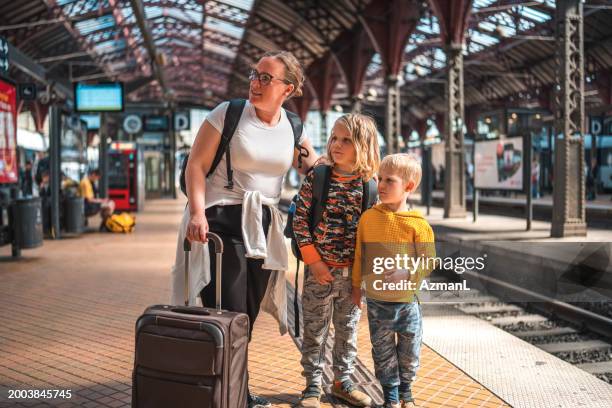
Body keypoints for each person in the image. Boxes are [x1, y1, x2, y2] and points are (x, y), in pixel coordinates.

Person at [181, 50, 318, 408]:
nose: (255, 83)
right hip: (221, 221)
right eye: (254, 75)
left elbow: (316, 172)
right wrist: (198, 213)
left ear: (288, 88)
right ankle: (229, 394)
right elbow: (196, 166)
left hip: (265, 227)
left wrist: (361, 172)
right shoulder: (228, 114)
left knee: (248, 314)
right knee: (227, 310)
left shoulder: (294, 127)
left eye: (265, 78)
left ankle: (232, 388)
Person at [292, 114, 380, 408]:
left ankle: (343, 382)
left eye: (346, 140)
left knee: (348, 331)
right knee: (314, 332)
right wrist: (314, 262)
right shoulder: (318, 177)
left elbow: (372, 237)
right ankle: (312, 387)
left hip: (352, 277)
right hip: (319, 271)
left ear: (363, 146)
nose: (336, 145)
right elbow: (300, 221)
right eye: (334, 138)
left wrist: (362, 280)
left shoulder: (370, 186)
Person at [352, 154, 436, 408]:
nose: (382, 185)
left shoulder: (418, 225)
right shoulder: (368, 218)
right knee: (383, 352)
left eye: (390, 180)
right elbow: (359, 255)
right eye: (379, 179)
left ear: (408, 187)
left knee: (409, 353)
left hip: (407, 304)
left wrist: (407, 273)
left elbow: (429, 261)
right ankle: (391, 398)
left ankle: (406, 394)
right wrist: (356, 287)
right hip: (378, 303)